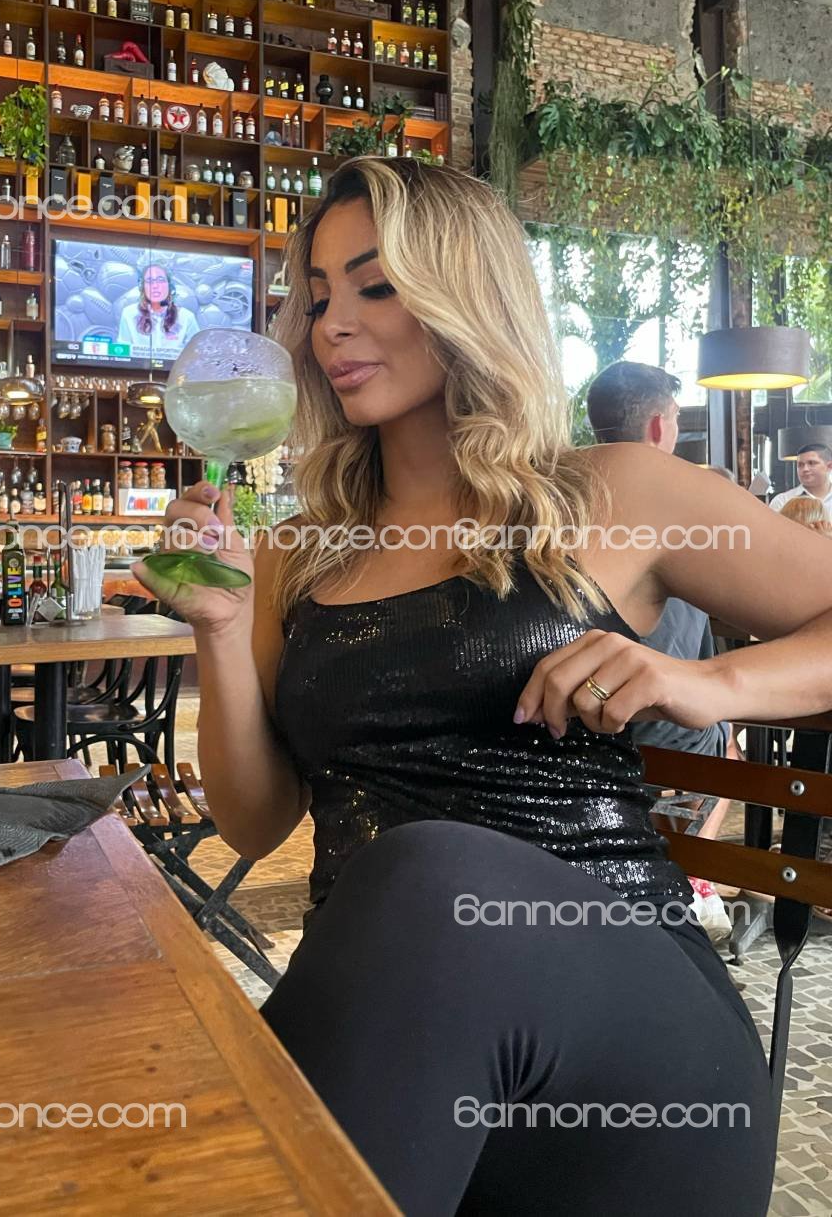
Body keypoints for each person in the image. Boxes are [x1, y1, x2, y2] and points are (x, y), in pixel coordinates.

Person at [136, 158, 832, 1216]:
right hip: (409, 1053)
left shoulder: (613, 492)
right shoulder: (298, 551)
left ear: (466, 293)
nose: (331, 325)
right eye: (316, 297)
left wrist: (709, 680)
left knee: (433, 875)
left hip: (627, 1054)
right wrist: (221, 632)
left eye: (375, 286)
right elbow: (257, 822)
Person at [586, 361, 734, 937]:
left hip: (572, 730)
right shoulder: (687, 511)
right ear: (657, 428)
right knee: (723, 737)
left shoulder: (558, 499)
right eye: (673, 418)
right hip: (651, 731)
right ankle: (694, 879)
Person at [116, 261, 199, 361]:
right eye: (150, 281)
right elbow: (122, 354)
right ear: (143, 286)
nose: (155, 286)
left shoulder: (187, 317)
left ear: (169, 285)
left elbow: (195, 356)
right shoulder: (129, 313)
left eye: (160, 280)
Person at [770, 442, 832, 518]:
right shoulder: (782, 501)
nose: (805, 469)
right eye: (800, 465)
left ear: (829, 466)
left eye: (811, 463)